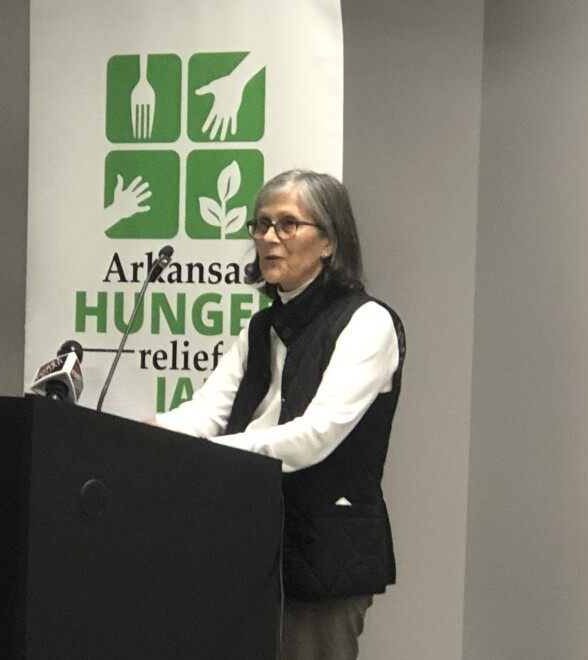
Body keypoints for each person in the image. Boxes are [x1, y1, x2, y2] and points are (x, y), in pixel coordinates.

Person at [155, 170, 405, 660]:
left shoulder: (367, 322)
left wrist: (209, 455)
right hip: (247, 539)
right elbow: (208, 411)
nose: (269, 238)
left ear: (329, 241)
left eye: (288, 225)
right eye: (261, 224)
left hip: (323, 552)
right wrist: (147, 435)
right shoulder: (262, 327)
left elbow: (315, 436)